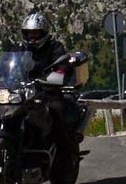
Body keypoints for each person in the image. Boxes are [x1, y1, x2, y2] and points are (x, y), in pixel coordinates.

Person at [18, 12, 80, 148]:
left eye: (36, 33)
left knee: (56, 113)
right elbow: (12, 64)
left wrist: (58, 74)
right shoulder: (21, 49)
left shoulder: (55, 48)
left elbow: (62, 64)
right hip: (25, 93)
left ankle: (66, 154)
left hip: (49, 93)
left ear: (44, 33)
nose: (32, 37)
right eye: (29, 33)